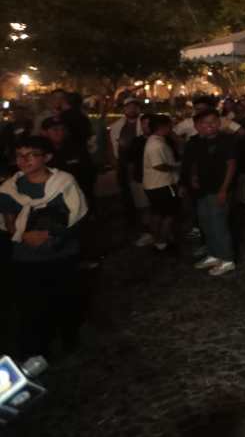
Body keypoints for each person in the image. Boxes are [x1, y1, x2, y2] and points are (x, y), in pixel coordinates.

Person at [0, 135, 88, 358]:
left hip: (62, 252)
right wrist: (24, 235)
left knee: (65, 298)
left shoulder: (64, 182)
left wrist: (52, 235)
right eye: (19, 155)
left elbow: (76, 214)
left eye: (31, 155)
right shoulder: (10, 187)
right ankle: (38, 350)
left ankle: (69, 337)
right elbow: (9, 220)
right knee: (32, 304)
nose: (24, 160)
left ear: (47, 157)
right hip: (27, 257)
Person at [184, 109, 238, 276]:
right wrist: (193, 176)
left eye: (214, 121)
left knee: (218, 224)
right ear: (197, 126)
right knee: (206, 223)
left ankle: (227, 259)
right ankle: (214, 254)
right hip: (202, 190)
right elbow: (194, 162)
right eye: (205, 123)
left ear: (219, 123)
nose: (210, 126)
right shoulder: (197, 142)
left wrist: (223, 190)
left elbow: (231, 165)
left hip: (219, 189)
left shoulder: (226, 140)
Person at [142, 115, 179, 252]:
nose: (172, 129)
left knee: (157, 213)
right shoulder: (156, 145)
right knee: (169, 215)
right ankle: (162, 242)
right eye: (170, 126)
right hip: (161, 184)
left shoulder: (155, 141)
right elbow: (158, 165)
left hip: (154, 185)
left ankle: (158, 238)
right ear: (163, 127)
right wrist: (176, 167)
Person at [109, 98, 144, 225]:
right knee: (126, 192)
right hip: (123, 164)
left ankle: (143, 220)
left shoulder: (146, 123)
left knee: (141, 192)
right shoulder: (116, 127)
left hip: (141, 164)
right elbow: (112, 146)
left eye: (135, 107)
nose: (132, 109)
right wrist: (114, 161)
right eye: (129, 107)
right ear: (124, 109)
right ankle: (131, 219)